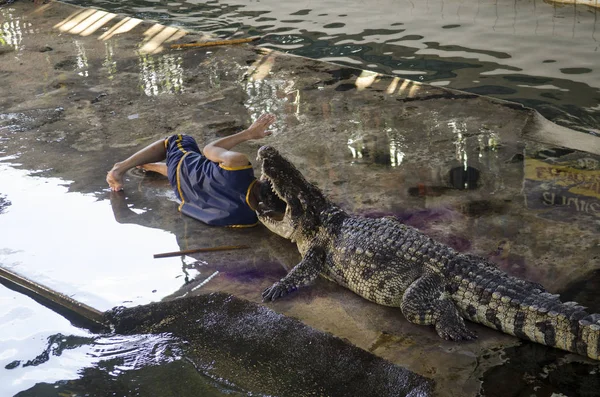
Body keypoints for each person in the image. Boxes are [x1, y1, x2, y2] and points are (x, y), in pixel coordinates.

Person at [106, 113, 277, 227]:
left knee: (178, 140)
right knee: (199, 174)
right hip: (190, 195)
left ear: (266, 179)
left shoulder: (237, 163)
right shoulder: (247, 219)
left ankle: (119, 169)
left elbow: (209, 149)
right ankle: (150, 166)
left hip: (186, 171)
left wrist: (248, 134)